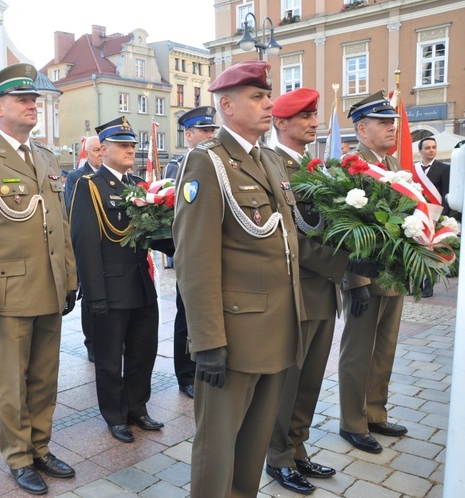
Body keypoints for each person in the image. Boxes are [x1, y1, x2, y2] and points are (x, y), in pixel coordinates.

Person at [173, 60, 303, 498]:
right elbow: (195, 258)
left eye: (267, 96)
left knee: (252, 446)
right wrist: (207, 340)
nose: (269, 105)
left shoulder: (267, 159)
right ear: (226, 106)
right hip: (234, 334)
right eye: (258, 97)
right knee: (218, 447)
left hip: (275, 330)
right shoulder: (206, 162)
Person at [0, 63, 78, 496]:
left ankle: (40, 447)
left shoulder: (44, 157)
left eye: (34, 99)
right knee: (11, 385)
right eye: (23, 99)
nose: (32, 105)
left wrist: (70, 279)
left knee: (45, 377)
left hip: (48, 288)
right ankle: (19, 457)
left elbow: (60, 223)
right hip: (7, 294)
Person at [266, 88, 351, 494]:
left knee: (312, 378)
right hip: (295, 292)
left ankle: (297, 448)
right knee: (288, 381)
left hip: (323, 291)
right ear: (281, 123)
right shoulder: (273, 166)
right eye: (304, 116)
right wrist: (346, 265)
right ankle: (277, 457)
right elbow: (289, 238)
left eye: (314, 115)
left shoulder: (315, 168)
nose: (313, 122)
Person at [70, 117, 163, 444]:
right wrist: (94, 296)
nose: (130, 150)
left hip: (141, 283)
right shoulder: (89, 187)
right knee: (109, 359)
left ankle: (137, 407)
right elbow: (84, 244)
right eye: (123, 145)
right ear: (104, 149)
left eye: (133, 145)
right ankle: (115, 415)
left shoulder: (137, 184)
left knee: (144, 351)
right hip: (110, 288)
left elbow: (150, 233)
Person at [339, 90, 408, 454]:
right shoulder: (351, 166)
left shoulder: (395, 166)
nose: (391, 128)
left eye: (392, 122)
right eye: (383, 123)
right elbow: (345, 230)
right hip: (365, 275)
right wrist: (356, 282)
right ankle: (352, 421)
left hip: (392, 274)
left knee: (385, 347)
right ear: (362, 130)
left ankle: (375, 411)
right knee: (358, 350)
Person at [169, 106, 218, 399]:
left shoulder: (219, 162)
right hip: (191, 253)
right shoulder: (182, 164)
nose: (211, 135)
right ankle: (185, 374)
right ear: (189, 135)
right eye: (205, 131)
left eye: (213, 130)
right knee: (186, 316)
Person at [64, 135, 103, 361]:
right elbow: (72, 210)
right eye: (96, 150)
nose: (100, 153)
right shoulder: (76, 177)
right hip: (87, 245)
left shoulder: (111, 175)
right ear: (87, 153)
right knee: (89, 296)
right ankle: (90, 342)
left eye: (102, 149)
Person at [417, 136, 450, 297]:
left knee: (432, 251)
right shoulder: (413, 169)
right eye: (428, 147)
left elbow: (446, 194)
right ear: (420, 151)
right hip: (418, 216)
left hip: (436, 216)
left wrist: (443, 217)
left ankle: (428, 284)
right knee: (417, 249)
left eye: (434, 147)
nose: (431, 150)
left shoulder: (444, 168)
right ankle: (416, 284)